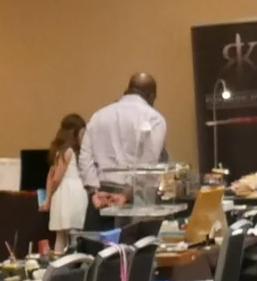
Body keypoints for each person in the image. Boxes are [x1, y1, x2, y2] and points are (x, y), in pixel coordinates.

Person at [79, 72, 167, 226]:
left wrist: (94, 191)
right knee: (133, 240)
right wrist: (127, 194)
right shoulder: (154, 118)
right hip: (134, 198)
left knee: (98, 241)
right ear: (152, 96)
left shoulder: (98, 116)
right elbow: (148, 164)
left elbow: (85, 157)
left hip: (100, 198)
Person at [45, 112, 87, 251]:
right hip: (75, 193)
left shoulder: (65, 152)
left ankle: (60, 261)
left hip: (65, 194)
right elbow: (56, 177)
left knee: (61, 236)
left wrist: (49, 197)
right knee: (74, 234)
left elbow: (55, 177)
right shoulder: (74, 152)